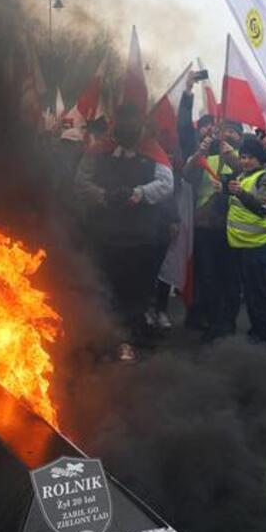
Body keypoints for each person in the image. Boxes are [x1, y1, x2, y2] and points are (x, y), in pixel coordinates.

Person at [75, 103, 174, 361]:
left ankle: (129, 338)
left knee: (136, 289)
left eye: (133, 120)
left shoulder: (153, 151)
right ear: (115, 122)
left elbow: (166, 184)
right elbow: (81, 181)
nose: (129, 126)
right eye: (124, 120)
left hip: (140, 236)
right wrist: (103, 196)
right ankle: (104, 337)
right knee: (104, 286)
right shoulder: (99, 150)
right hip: (104, 233)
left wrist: (137, 194)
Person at [181, 121, 242, 339]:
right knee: (208, 276)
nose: (226, 135)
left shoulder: (241, 156)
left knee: (230, 278)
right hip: (205, 226)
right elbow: (186, 174)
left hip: (231, 226)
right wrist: (200, 151)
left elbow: (245, 174)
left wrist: (232, 158)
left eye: (232, 131)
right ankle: (213, 321)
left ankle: (228, 322)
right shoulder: (207, 156)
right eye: (223, 131)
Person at [224, 136, 266, 343]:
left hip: (257, 248)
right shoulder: (242, 177)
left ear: (260, 158)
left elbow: (265, 208)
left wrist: (241, 194)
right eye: (243, 157)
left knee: (257, 296)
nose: (245, 161)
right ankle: (256, 331)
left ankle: (263, 336)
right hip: (238, 247)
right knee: (246, 296)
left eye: (250, 157)